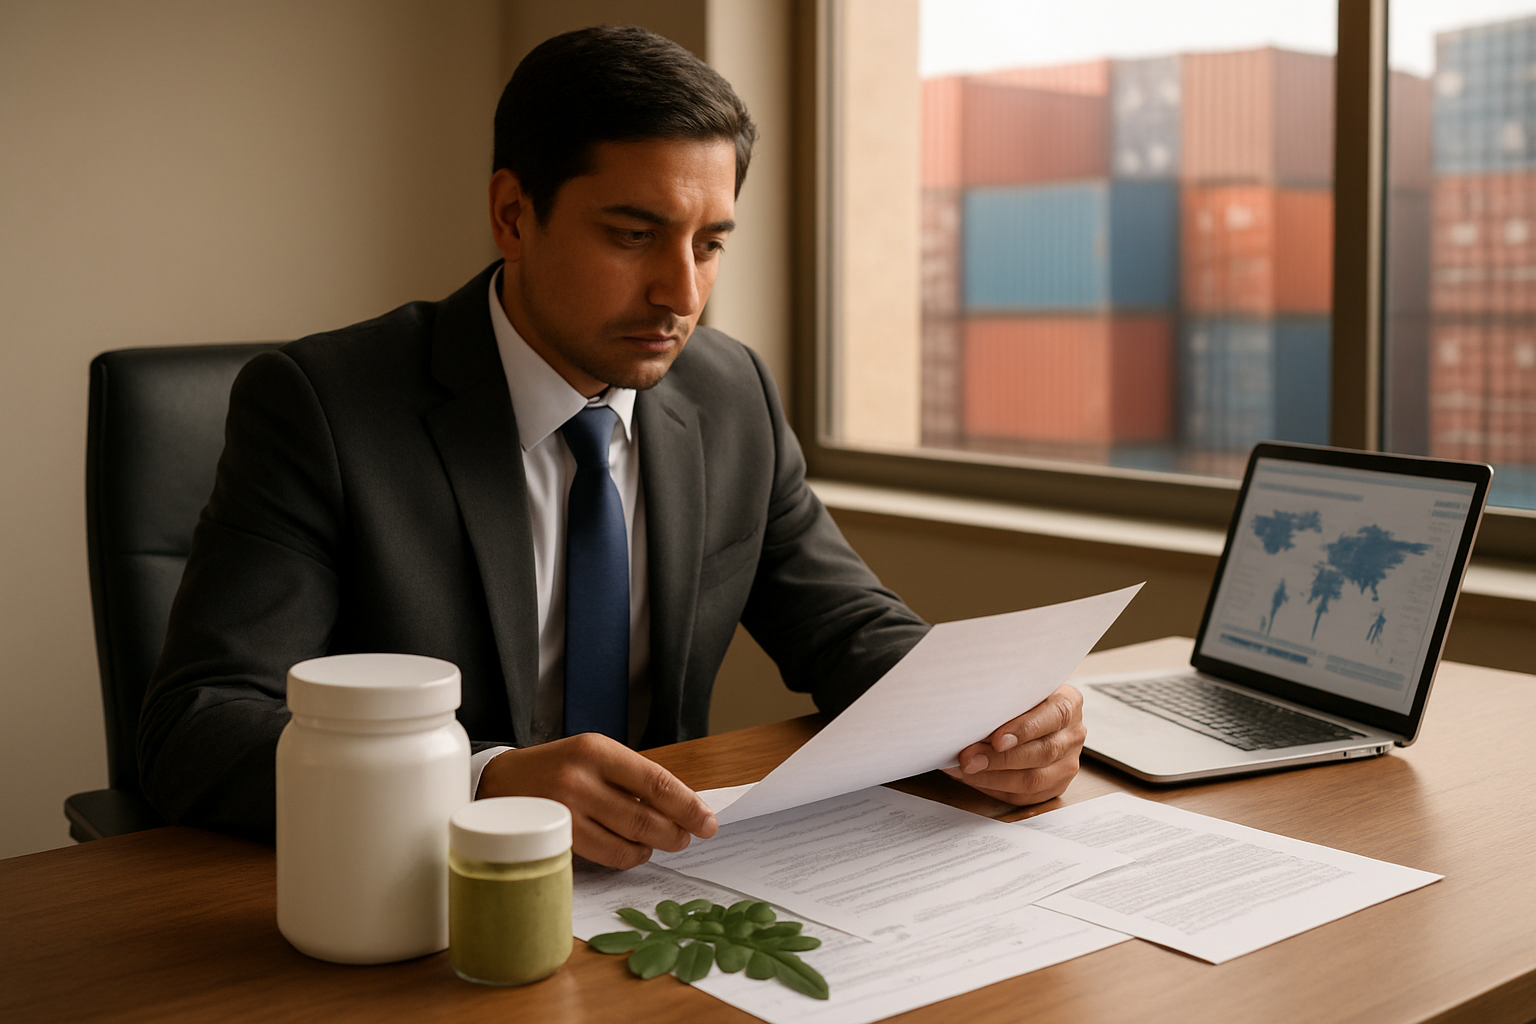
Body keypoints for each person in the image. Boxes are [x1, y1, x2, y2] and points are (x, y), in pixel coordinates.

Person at [139, 25, 1086, 870]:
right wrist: (479, 782)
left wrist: (987, 717)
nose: (681, 293)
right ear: (513, 214)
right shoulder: (322, 407)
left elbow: (847, 628)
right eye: (635, 235)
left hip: (665, 882)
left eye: (710, 243)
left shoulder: (731, 393)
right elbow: (200, 726)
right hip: (422, 903)